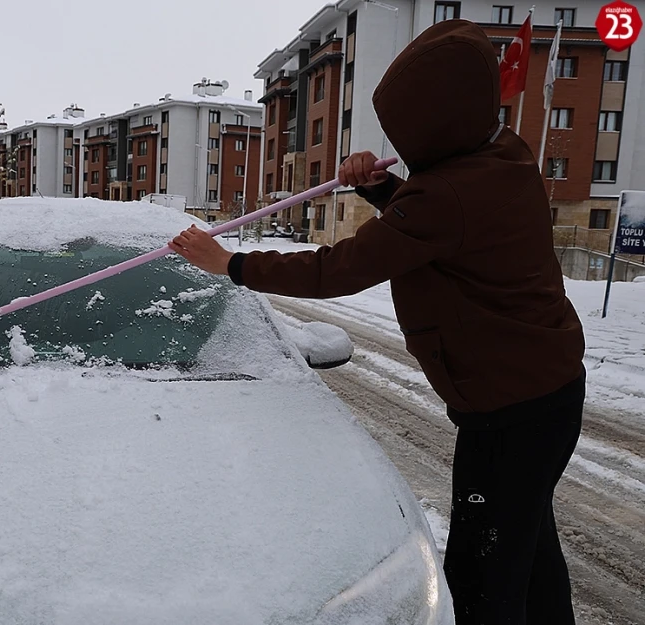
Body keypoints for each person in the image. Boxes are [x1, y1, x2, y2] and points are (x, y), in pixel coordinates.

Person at [169, 18, 585, 625]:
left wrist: (230, 262)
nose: (400, 140)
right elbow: (445, 226)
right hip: (547, 393)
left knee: (482, 572)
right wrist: (385, 186)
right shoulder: (503, 152)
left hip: (509, 414)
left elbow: (339, 270)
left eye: (407, 131)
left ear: (436, 127)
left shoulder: (443, 198)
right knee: (527, 545)